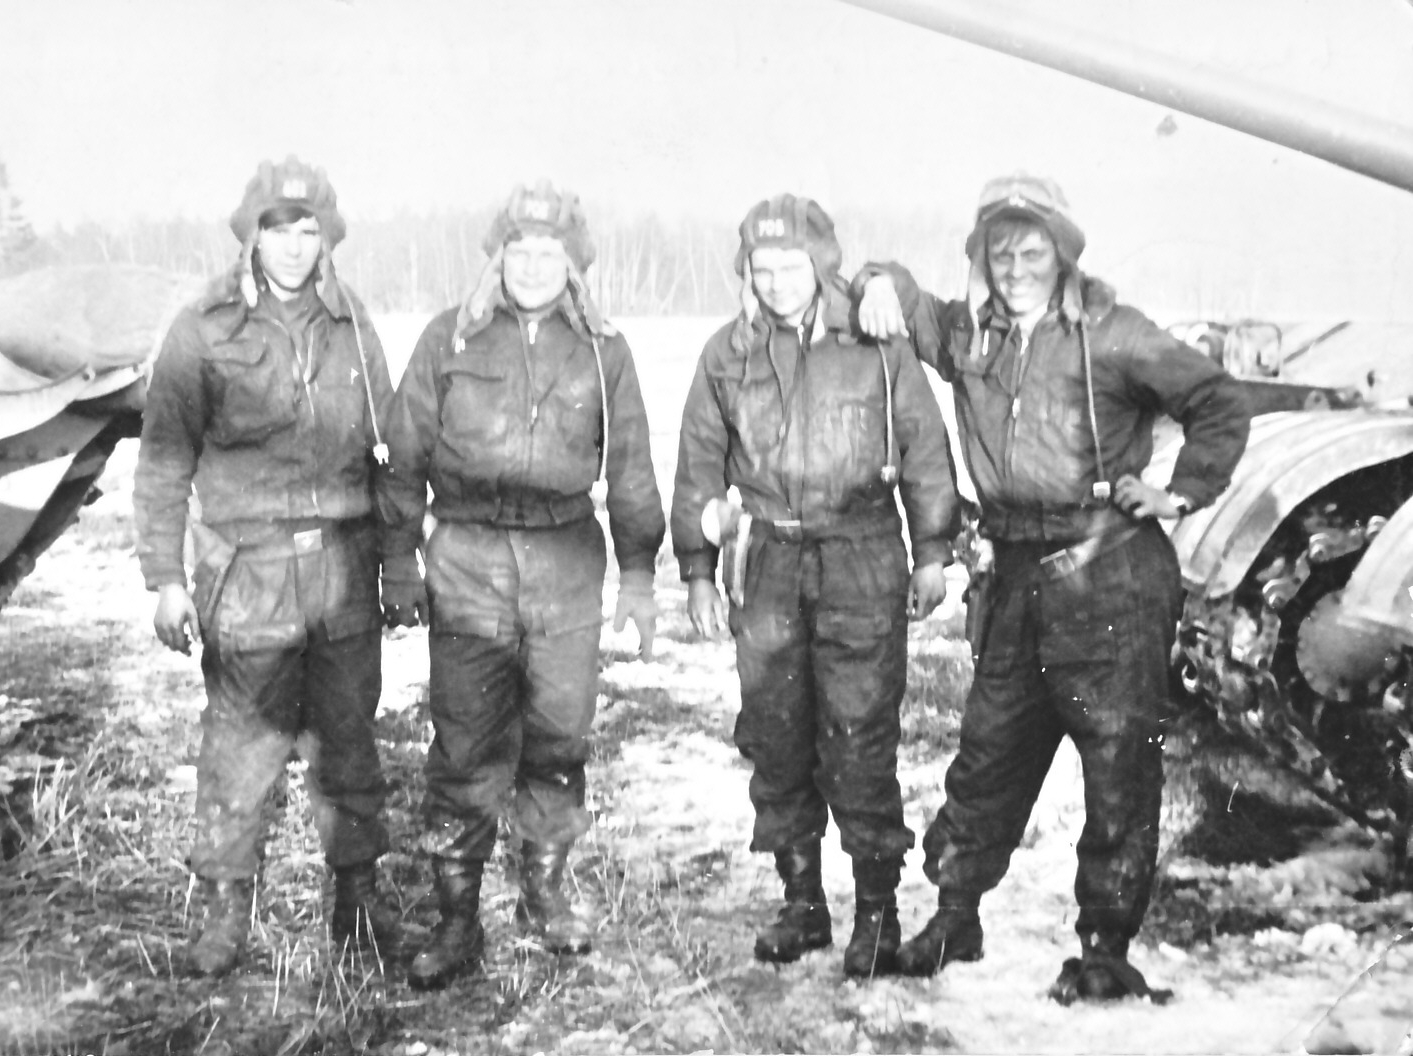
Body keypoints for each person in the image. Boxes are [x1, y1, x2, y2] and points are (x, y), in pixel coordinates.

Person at [853, 173, 1250, 1002]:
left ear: (1063, 255)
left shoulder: (1114, 334)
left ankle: (1105, 948)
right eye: (1000, 253)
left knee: (1117, 767)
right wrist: (876, 279)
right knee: (989, 751)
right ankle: (956, 915)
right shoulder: (969, 335)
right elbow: (899, 294)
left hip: (1109, 575)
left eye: (1033, 252)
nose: (1016, 268)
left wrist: (1179, 493)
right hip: (1014, 577)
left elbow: (1217, 400)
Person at [380, 181, 666, 989]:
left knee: (558, 735)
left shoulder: (604, 351)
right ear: (497, 257)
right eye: (520, 249)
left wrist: (639, 574)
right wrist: (398, 559)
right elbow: (403, 455)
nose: (534, 264)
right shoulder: (449, 338)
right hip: (467, 559)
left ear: (574, 264)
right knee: (465, 742)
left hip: (565, 562)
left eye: (551, 252)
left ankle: (544, 891)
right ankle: (457, 918)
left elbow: (631, 468)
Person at [669, 194, 959, 979]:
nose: (777, 282)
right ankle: (803, 904)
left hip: (860, 554)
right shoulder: (728, 353)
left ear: (823, 265)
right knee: (776, 734)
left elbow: (925, 448)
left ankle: (877, 911)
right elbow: (698, 462)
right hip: (766, 559)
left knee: (859, 735)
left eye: (791, 266)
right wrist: (697, 571)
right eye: (761, 269)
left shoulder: (875, 343)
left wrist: (932, 551)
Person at [134, 156, 401, 976]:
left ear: (327, 239)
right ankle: (224, 912)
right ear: (251, 235)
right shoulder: (202, 328)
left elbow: (388, 453)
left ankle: (356, 900)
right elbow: (164, 462)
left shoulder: (352, 323)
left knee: (348, 741)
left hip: (343, 572)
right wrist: (166, 578)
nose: (292, 245)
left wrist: (400, 565)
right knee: (240, 750)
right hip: (247, 575)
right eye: (277, 229)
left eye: (308, 230)